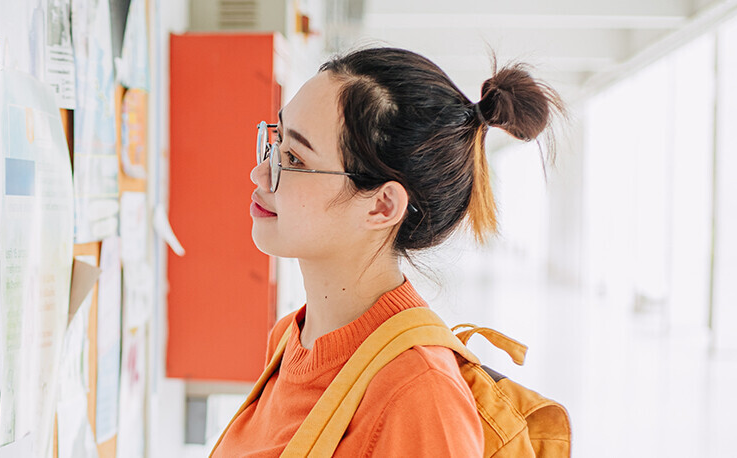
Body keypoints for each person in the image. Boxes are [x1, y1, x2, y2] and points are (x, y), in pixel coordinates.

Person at [212, 47, 564, 457]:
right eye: (276, 142)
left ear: (381, 206)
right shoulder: (291, 337)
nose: (260, 172)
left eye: (295, 158)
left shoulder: (420, 396)